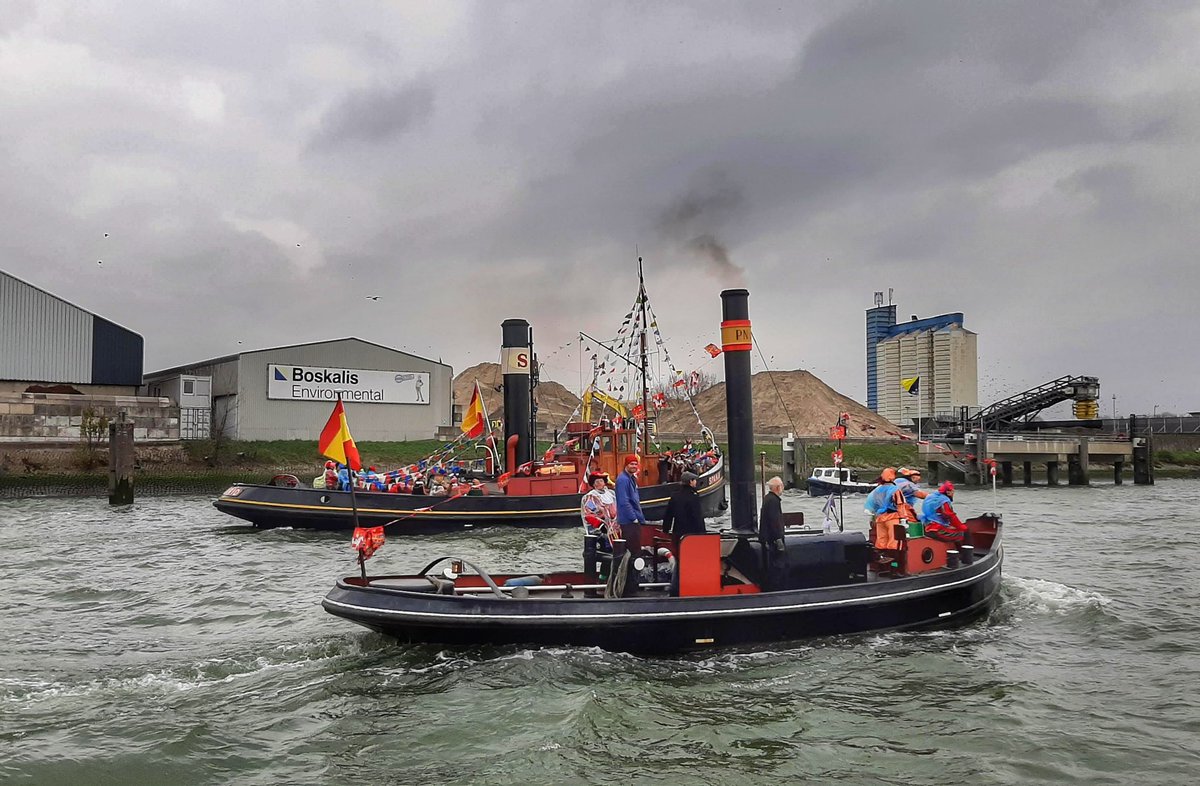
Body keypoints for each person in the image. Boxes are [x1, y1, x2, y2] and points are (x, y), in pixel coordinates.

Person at [615, 455, 647, 595]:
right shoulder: (623, 480)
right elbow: (624, 501)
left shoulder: (631, 479)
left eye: (636, 464)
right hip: (629, 522)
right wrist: (633, 518)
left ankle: (633, 583)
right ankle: (630, 587)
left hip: (635, 519)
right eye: (632, 464)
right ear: (626, 465)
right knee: (633, 553)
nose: (634, 466)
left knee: (636, 551)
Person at [662, 471, 705, 553]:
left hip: (678, 532)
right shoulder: (693, 496)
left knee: (679, 554)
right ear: (691, 482)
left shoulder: (675, 495)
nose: (696, 482)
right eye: (694, 480)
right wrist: (703, 533)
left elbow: (668, 515)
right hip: (692, 533)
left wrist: (666, 529)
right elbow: (697, 516)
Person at [758, 476, 788, 590]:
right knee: (778, 567)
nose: (783, 489)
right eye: (782, 486)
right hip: (773, 541)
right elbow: (774, 520)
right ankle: (776, 589)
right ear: (778, 487)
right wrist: (778, 539)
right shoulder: (773, 501)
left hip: (768, 539)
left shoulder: (768, 499)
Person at [580, 473, 619, 546]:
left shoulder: (611, 494)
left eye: (601, 481)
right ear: (593, 484)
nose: (599, 483)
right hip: (601, 530)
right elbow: (588, 514)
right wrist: (601, 525)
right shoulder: (590, 497)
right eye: (597, 482)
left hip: (615, 527)